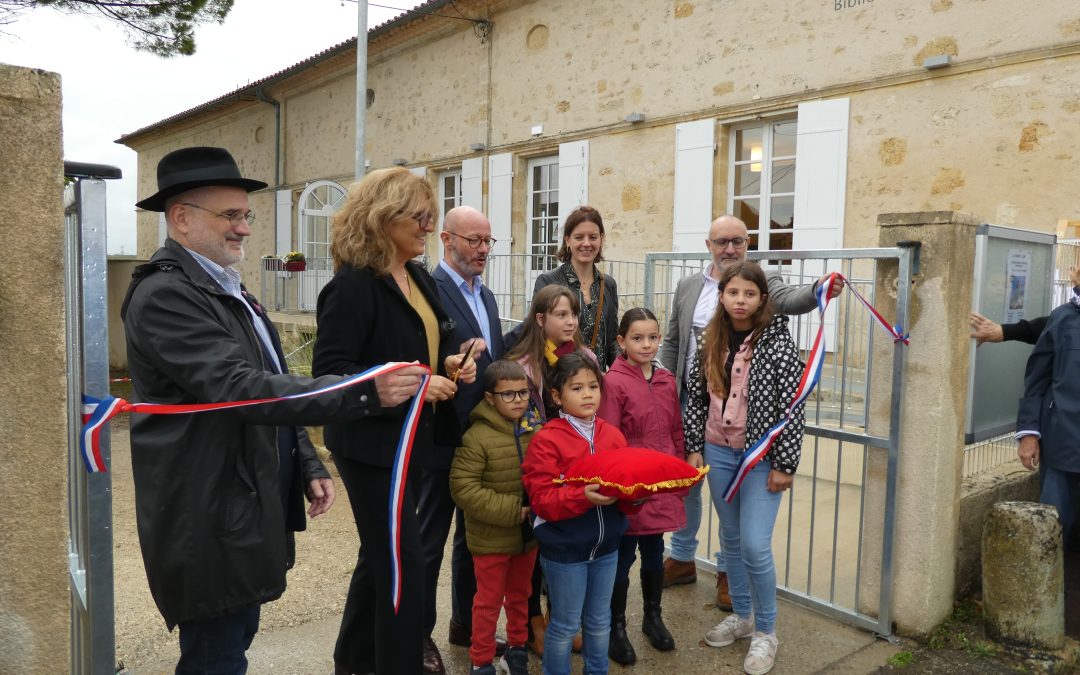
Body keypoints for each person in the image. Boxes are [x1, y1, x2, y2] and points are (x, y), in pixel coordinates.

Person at [121, 147, 426, 674]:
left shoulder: (223, 286)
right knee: (216, 656)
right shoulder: (167, 295)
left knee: (233, 638)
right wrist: (364, 390)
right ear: (181, 218)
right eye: (231, 216)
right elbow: (239, 388)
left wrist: (305, 459)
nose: (244, 229)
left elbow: (267, 372)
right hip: (208, 512)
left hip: (237, 503)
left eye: (247, 215)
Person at [311, 167, 477, 675]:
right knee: (404, 565)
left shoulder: (418, 275)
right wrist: (414, 385)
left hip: (415, 445)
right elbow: (330, 377)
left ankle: (353, 661)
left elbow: (434, 339)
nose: (428, 226)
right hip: (372, 448)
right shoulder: (352, 288)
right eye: (420, 217)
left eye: (430, 217)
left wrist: (451, 360)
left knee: (381, 557)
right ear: (384, 219)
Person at [658, 214, 841, 610]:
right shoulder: (689, 286)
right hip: (696, 406)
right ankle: (683, 556)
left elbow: (791, 300)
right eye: (722, 241)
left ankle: (729, 575)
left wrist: (818, 290)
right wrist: (664, 390)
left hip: (749, 425)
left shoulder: (764, 283)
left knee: (742, 524)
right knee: (688, 489)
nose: (730, 248)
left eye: (738, 241)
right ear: (708, 245)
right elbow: (673, 340)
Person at [686, 261, 806, 675]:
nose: (740, 300)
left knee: (755, 543)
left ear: (761, 299)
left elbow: (793, 406)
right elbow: (697, 397)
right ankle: (743, 614)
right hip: (718, 452)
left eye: (749, 294)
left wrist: (785, 463)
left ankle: (767, 630)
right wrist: (694, 447)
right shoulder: (709, 338)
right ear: (722, 295)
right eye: (733, 292)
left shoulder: (777, 342)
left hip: (760, 457)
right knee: (731, 539)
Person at [420, 205, 507, 668]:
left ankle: (466, 624)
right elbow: (416, 362)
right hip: (441, 437)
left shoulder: (487, 297)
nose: (483, 250)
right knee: (429, 539)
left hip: (482, 437)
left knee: (473, 540)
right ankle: (419, 635)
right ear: (447, 240)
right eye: (474, 240)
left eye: (488, 241)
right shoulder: (426, 291)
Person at [522, 353, 633, 675]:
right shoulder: (547, 440)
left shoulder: (613, 435)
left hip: (607, 548)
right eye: (577, 388)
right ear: (557, 397)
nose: (588, 394)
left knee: (599, 621)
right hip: (565, 550)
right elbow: (542, 500)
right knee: (566, 624)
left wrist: (635, 497)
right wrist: (582, 496)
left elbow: (625, 487)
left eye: (593, 386)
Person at [503, 283, 596, 654]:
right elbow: (522, 420)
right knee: (534, 550)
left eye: (573, 313)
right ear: (541, 320)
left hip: (577, 466)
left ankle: (564, 617)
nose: (570, 321)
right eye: (561, 314)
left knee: (568, 544)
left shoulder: (585, 356)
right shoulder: (524, 365)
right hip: (540, 464)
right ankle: (531, 621)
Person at [596, 308, 687, 665]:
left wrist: (677, 470)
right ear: (621, 341)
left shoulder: (664, 379)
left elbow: (675, 428)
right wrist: (625, 482)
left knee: (654, 552)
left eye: (652, 337)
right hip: (633, 485)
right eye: (637, 338)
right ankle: (615, 627)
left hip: (661, 481)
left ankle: (652, 617)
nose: (646, 344)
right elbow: (610, 437)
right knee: (623, 556)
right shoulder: (614, 382)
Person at [449, 359, 541, 675]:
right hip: (490, 538)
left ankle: (516, 651)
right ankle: (481, 659)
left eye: (523, 393)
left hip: (527, 538)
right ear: (489, 397)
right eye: (508, 394)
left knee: (521, 597)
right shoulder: (476, 437)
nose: (518, 400)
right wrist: (514, 511)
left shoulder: (534, 430)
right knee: (487, 603)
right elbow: (463, 488)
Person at [1016, 285, 1080, 545]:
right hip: (1062, 440)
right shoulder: (1062, 319)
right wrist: (1029, 433)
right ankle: (1046, 585)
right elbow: (1036, 380)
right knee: (1052, 527)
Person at [533, 206, 620, 370]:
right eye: (579, 237)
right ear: (567, 240)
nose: (586, 243)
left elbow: (612, 342)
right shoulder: (548, 282)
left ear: (601, 239)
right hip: (560, 381)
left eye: (593, 237)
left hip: (596, 384)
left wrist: (622, 375)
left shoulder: (608, 284)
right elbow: (539, 336)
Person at [970, 266, 1080, 345]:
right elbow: (1050, 326)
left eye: (1005, 285)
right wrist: (1003, 331)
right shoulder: (977, 306)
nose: (1000, 289)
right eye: (994, 284)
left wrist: (1002, 331)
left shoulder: (1067, 314)